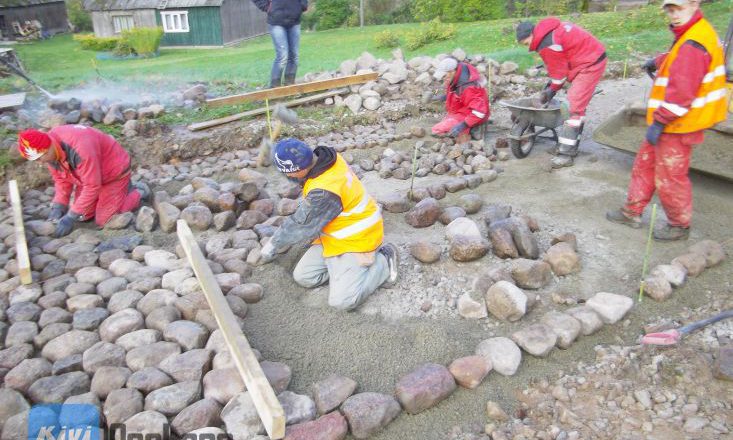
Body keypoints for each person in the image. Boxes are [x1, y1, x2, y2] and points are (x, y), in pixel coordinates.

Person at [606, 0, 727, 241]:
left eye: (678, 9)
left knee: (670, 175)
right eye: (670, 10)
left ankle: (678, 225)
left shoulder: (695, 42)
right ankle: (632, 211)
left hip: (680, 124)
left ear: (694, 4)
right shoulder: (691, 33)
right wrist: (660, 61)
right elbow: (679, 58)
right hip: (671, 122)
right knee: (645, 165)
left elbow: (682, 92)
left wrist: (660, 122)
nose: (674, 15)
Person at [258, 138, 399, 311]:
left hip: (358, 237)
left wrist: (273, 244)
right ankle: (343, 271)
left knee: (342, 302)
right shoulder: (325, 158)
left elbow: (300, 224)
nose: (288, 177)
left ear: (301, 169)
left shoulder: (324, 191)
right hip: (335, 234)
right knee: (304, 277)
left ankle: (384, 261)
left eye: (289, 173)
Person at [17, 125, 149, 238]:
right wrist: (59, 206)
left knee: (104, 220)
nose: (41, 163)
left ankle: (137, 193)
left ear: (47, 148)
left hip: (114, 172)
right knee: (83, 216)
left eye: (40, 158)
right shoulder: (50, 151)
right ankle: (109, 196)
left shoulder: (79, 148)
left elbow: (92, 186)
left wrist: (69, 217)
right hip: (89, 176)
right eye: (36, 160)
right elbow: (61, 179)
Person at [516, 17, 607, 168]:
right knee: (577, 106)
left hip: (590, 63)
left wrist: (551, 90)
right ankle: (571, 145)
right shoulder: (548, 31)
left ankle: (566, 154)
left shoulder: (547, 43)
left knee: (571, 108)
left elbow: (559, 75)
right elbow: (560, 65)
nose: (528, 47)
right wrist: (552, 86)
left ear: (532, 34)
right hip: (589, 56)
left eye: (527, 43)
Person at [430, 57, 490, 142]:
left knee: (437, 130)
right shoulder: (456, 76)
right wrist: (441, 96)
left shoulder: (468, 88)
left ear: (451, 72)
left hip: (472, 114)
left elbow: (479, 112)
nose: (443, 78)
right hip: (461, 110)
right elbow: (455, 93)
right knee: (446, 123)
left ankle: (475, 127)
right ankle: (469, 126)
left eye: (444, 76)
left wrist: (462, 125)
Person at [251, 0, 308, 88]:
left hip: (294, 20)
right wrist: (268, 7)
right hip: (276, 21)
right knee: (282, 56)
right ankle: (275, 88)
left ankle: (290, 85)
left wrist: (303, 5)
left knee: (294, 55)